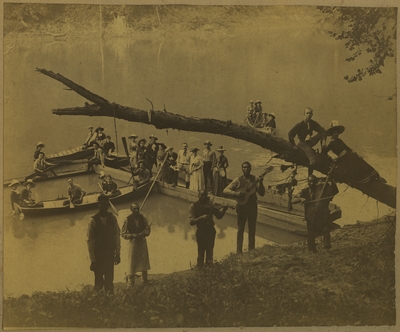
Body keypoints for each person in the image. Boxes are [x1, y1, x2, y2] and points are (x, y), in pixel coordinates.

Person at [322, 120, 386, 184]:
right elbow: (324, 152)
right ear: (332, 134)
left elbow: (347, 148)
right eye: (334, 132)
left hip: (349, 155)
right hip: (343, 160)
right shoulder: (331, 144)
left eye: (337, 132)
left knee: (361, 162)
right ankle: (366, 181)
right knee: (355, 168)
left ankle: (376, 177)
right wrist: (324, 141)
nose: (336, 134)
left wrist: (356, 154)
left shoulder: (339, 140)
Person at [223, 162, 265, 254]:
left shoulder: (255, 179)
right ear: (242, 169)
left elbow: (261, 193)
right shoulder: (237, 180)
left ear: (250, 169)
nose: (246, 169)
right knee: (240, 229)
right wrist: (237, 194)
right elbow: (225, 190)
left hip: (252, 207)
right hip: (242, 207)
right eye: (244, 167)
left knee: (252, 229)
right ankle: (239, 252)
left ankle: (251, 250)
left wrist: (261, 182)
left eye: (248, 167)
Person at [292, 175, 339, 252]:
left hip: (322, 214)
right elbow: (293, 200)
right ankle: (312, 249)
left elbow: (335, 191)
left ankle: (327, 247)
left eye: (313, 182)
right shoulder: (305, 191)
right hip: (310, 215)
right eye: (309, 182)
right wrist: (301, 199)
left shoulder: (321, 189)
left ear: (316, 182)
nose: (311, 183)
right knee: (311, 233)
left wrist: (332, 180)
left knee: (326, 229)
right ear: (308, 182)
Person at [87, 194, 121, 294]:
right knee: (98, 279)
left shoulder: (113, 218)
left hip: (110, 253)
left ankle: (110, 300)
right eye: (101, 205)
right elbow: (89, 241)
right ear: (98, 205)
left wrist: (118, 254)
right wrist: (93, 259)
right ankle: (100, 301)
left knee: (109, 278)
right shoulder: (93, 220)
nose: (104, 207)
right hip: (98, 255)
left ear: (108, 206)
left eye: (106, 205)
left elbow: (117, 236)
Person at [189, 190, 229, 268]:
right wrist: (201, 218)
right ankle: (200, 268)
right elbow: (191, 222)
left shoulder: (211, 205)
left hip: (210, 230)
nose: (204, 197)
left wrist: (224, 210)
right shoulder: (193, 206)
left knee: (210, 251)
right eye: (202, 195)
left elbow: (219, 216)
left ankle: (209, 269)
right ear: (198, 195)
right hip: (201, 231)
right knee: (201, 252)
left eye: (205, 196)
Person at [288, 107, 326, 176]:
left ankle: (323, 153)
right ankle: (310, 177)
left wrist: (323, 141)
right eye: (307, 113)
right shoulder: (300, 125)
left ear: (312, 115)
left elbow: (322, 130)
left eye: (310, 113)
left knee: (322, 133)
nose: (309, 115)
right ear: (304, 114)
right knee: (313, 161)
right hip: (303, 144)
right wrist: (293, 145)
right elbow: (290, 134)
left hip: (310, 141)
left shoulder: (313, 123)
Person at [121, 203, 151, 288]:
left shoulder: (143, 217)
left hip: (142, 242)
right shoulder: (127, 220)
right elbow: (123, 234)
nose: (136, 210)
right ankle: (130, 283)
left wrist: (145, 233)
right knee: (132, 262)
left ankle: (144, 280)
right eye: (134, 209)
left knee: (144, 260)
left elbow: (148, 229)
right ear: (131, 210)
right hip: (133, 243)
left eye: (137, 209)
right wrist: (132, 235)